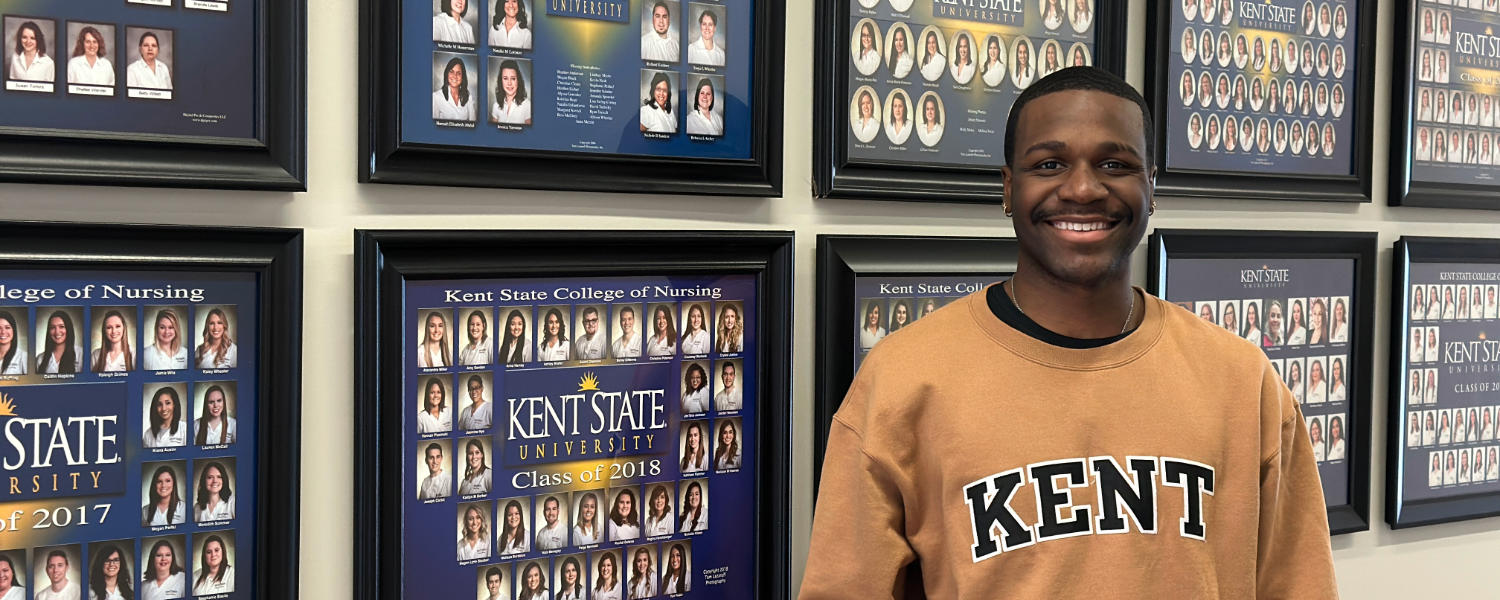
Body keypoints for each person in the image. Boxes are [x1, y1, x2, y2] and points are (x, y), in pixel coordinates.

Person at [802, 67, 1337, 599]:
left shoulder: (1243, 383)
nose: (1083, 188)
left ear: (1152, 187)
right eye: (1050, 163)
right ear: (1009, 189)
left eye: (1114, 163)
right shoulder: (903, 380)